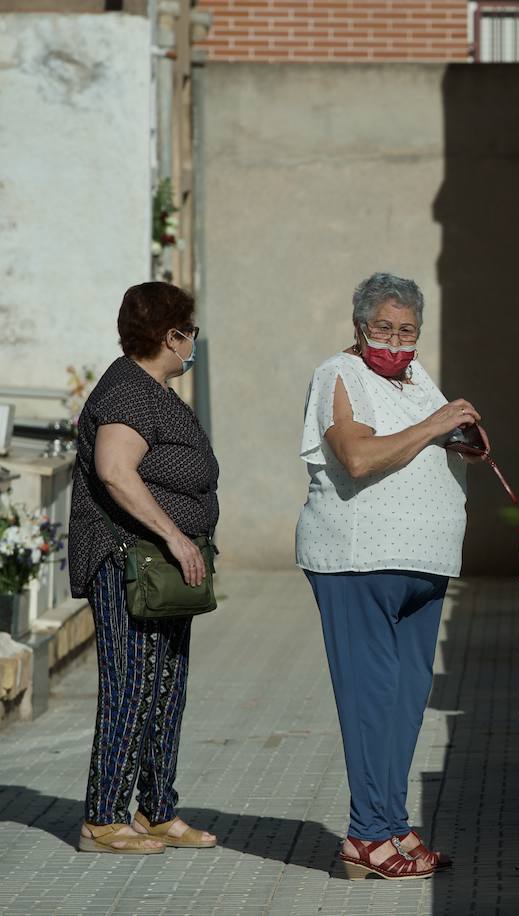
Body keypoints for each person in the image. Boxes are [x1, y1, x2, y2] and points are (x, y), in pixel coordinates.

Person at [296, 272, 480, 880]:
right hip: (360, 560)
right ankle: (365, 839)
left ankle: (393, 824)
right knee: (371, 701)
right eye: (385, 328)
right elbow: (359, 456)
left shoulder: (415, 376)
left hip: (422, 564)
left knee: (405, 702)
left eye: (408, 330)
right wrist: (435, 426)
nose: (397, 340)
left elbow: (426, 435)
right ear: (359, 327)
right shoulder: (339, 376)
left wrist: (461, 435)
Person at [68, 281, 219, 854]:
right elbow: (114, 471)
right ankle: (103, 819)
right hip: (129, 561)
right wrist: (177, 537)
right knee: (131, 685)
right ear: (169, 336)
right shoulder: (129, 392)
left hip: (162, 565)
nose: (192, 345)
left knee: (166, 685)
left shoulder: (151, 389)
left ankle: (157, 810)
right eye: (189, 334)